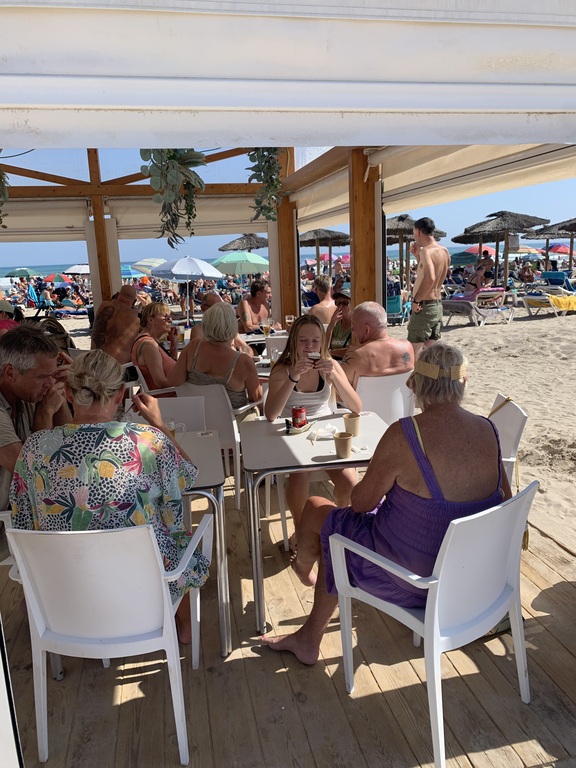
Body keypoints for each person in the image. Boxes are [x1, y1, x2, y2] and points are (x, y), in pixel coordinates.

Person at [262, 342, 511, 664]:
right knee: (326, 517)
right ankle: (305, 569)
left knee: (332, 527)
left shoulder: (406, 434)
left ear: (417, 385)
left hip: (416, 581)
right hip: (471, 577)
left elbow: (362, 504)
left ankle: (308, 625)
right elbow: (503, 499)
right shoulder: (488, 430)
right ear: (463, 384)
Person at [9, 349, 208, 644]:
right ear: (121, 395)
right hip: (142, 589)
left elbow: (23, 514)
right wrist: (159, 424)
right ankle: (185, 627)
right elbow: (187, 476)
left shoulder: (35, 447)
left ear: (68, 393)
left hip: (64, 589)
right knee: (177, 535)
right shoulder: (147, 440)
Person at [264, 314, 362, 542]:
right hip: (293, 433)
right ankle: (301, 531)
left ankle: (338, 526)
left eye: (315, 341)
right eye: (303, 340)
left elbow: (356, 406)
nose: (309, 347)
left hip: (325, 432)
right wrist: (293, 376)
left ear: (323, 343)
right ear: (293, 342)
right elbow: (270, 415)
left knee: (349, 481)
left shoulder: (331, 365)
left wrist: (335, 378)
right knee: (299, 477)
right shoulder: (281, 370)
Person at [0, 325, 71, 511]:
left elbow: (68, 444)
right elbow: (37, 473)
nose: (49, 383)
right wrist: (46, 413)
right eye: (42, 377)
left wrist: (61, 389)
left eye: (53, 375)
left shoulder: (27, 393)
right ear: (10, 373)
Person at [168, 302, 262, 412]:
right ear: (232, 326)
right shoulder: (243, 361)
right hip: (234, 424)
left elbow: (173, 381)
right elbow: (256, 398)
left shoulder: (193, 347)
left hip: (196, 419)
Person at [341, 302, 414, 388]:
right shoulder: (407, 347)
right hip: (400, 402)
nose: (352, 330)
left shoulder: (356, 354)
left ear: (367, 329)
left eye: (353, 325)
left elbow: (338, 390)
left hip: (365, 401)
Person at [407, 217, 450, 357]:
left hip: (425, 305)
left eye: (414, 232)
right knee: (431, 354)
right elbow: (435, 274)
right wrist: (418, 257)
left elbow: (430, 278)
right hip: (437, 304)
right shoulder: (444, 251)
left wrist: (416, 300)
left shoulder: (427, 251)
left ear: (418, 232)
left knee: (415, 352)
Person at [131, 302, 178, 390]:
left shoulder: (151, 341)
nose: (170, 320)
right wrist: (184, 382)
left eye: (170, 317)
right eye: (166, 317)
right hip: (166, 398)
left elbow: (172, 366)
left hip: (171, 393)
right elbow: (160, 382)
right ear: (151, 320)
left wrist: (174, 344)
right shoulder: (149, 345)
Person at [189, 291, 253, 356]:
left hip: (234, 363)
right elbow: (195, 355)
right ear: (203, 309)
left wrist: (245, 358)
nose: (220, 310)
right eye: (216, 307)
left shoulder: (227, 327)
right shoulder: (199, 330)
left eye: (222, 307)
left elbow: (247, 348)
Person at [91, 284, 141, 364]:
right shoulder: (136, 320)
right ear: (134, 302)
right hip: (117, 367)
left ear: (117, 294)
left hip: (94, 361)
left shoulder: (103, 306)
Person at [325, 288, 353, 359]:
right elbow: (324, 347)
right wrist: (331, 324)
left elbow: (352, 351)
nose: (340, 307)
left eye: (345, 303)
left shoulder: (356, 326)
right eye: (338, 303)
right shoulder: (336, 324)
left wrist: (331, 353)